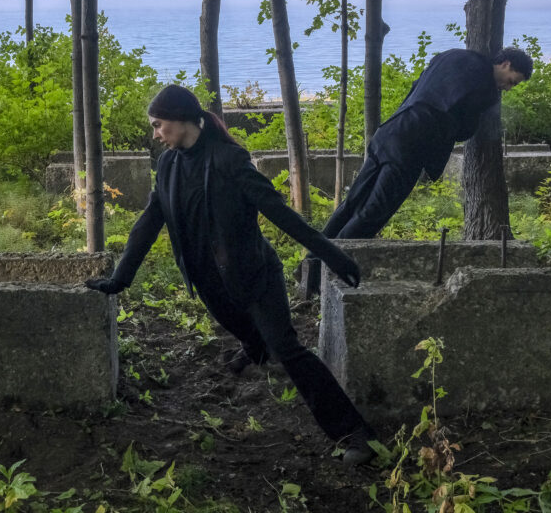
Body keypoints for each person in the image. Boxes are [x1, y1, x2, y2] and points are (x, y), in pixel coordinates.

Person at [84, 84, 377, 466]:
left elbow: (278, 212)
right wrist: (121, 278)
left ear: (183, 120)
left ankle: (356, 434)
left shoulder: (229, 160)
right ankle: (253, 349)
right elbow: (148, 223)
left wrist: (331, 256)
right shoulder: (169, 165)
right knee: (246, 332)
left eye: (159, 125)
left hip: (255, 276)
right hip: (207, 281)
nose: (156, 135)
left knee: (287, 350)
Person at [303, 47, 533, 297]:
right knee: (372, 214)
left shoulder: (452, 56)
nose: (507, 88)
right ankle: (327, 276)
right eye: (511, 81)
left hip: (389, 132)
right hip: (411, 147)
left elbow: (418, 86)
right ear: (506, 64)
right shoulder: (487, 90)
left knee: (351, 204)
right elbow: (465, 129)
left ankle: (310, 266)